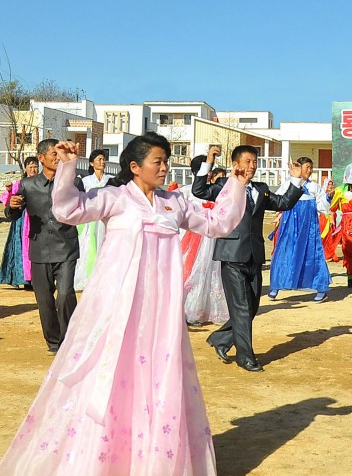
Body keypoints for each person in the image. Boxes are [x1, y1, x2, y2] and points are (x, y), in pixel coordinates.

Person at [0, 133, 247, 474]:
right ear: (135, 167)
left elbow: (218, 223)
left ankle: (151, 456)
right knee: (111, 371)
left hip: (161, 314)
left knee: (159, 377)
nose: (164, 167)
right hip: (117, 308)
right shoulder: (114, 198)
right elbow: (69, 209)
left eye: (166, 161)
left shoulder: (175, 203)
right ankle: (105, 456)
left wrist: (235, 183)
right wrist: (70, 165)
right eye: (157, 161)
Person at [193, 145, 304, 372]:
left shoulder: (261, 189)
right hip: (231, 254)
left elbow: (283, 203)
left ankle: (221, 339)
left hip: (254, 255)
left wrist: (295, 181)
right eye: (247, 161)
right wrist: (209, 162)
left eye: (254, 161)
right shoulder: (225, 186)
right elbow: (199, 191)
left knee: (251, 306)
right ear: (236, 164)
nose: (252, 166)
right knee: (242, 307)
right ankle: (246, 357)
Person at [4, 139, 85, 352]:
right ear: (41, 158)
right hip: (39, 248)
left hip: (66, 247)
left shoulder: (74, 183)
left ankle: (69, 340)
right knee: (44, 299)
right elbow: (13, 214)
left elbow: (82, 209)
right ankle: (54, 342)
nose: (58, 158)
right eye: (53, 154)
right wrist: (11, 206)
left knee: (66, 293)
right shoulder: (27, 185)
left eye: (59, 154)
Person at [268, 157, 332, 302]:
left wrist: (328, 197)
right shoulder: (287, 185)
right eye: (306, 167)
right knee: (284, 251)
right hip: (289, 225)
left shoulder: (315, 187)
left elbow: (323, 207)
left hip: (308, 227)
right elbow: (277, 202)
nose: (309, 171)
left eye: (311, 168)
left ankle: (320, 288)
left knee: (312, 254)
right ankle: (275, 286)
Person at [179, 156, 230, 326]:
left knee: (210, 271)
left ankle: (205, 310)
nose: (209, 174)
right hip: (191, 237)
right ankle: (187, 310)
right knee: (190, 271)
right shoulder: (186, 191)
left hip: (211, 238)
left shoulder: (214, 191)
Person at [74, 149, 112, 290]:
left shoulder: (110, 179)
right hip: (90, 221)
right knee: (88, 246)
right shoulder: (85, 181)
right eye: (99, 159)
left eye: (103, 159)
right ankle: (88, 277)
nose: (102, 162)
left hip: (105, 219)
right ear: (92, 163)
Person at [0, 157, 39, 289]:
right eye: (30, 166)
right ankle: (20, 278)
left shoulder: (41, 183)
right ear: (26, 168)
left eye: (35, 166)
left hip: (36, 220)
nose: (33, 169)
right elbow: (7, 202)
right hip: (21, 222)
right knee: (19, 248)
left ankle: (34, 280)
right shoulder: (19, 184)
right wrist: (10, 191)